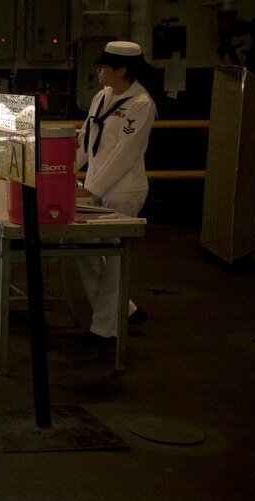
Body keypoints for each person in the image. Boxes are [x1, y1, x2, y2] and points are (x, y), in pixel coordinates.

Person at [76, 40, 156, 342]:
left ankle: (104, 330)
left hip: (124, 191)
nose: (98, 70)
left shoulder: (141, 104)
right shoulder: (101, 96)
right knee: (85, 252)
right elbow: (86, 139)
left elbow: (125, 154)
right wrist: (63, 172)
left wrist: (92, 188)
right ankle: (124, 308)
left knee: (114, 261)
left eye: (104, 67)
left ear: (122, 71)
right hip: (94, 188)